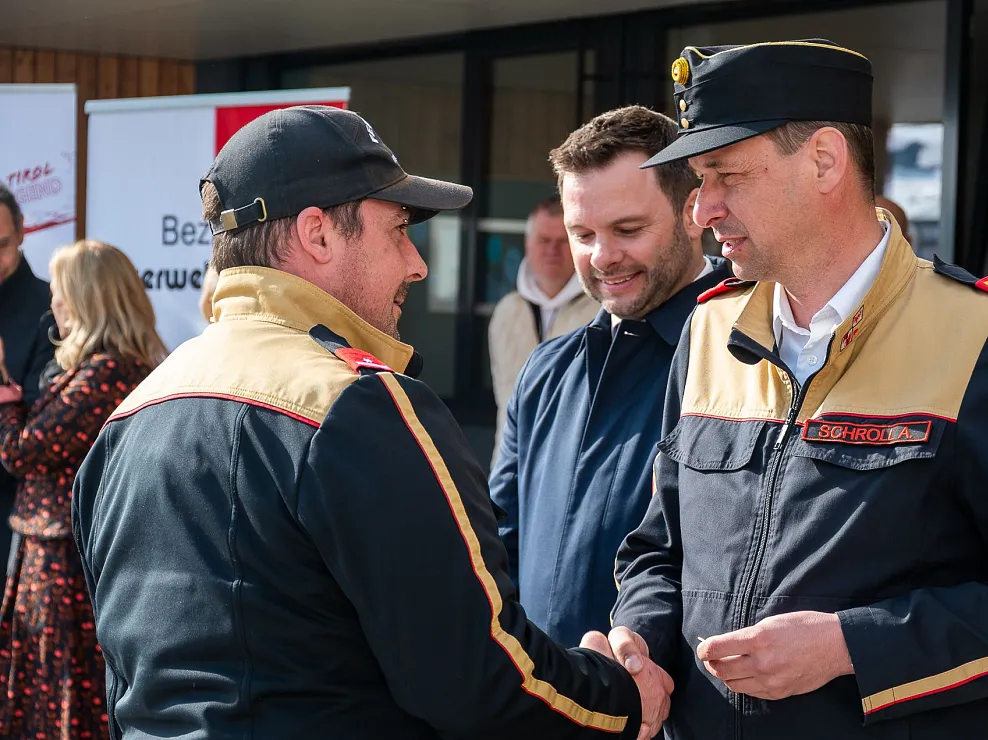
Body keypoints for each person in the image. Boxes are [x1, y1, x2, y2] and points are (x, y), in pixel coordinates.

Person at [71, 106, 670, 740]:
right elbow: (473, 678)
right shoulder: (357, 405)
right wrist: (622, 699)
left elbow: (130, 677)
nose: (417, 263)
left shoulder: (131, 415)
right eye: (398, 230)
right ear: (318, 235)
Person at [586, 41, 988, 739]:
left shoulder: (987, 335)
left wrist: (850, 646)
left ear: (825, 161)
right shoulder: (709, 327)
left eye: (725, 176)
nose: (702, 210)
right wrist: (640, 637)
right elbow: (660, 548)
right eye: (699, 180)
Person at [489, 105, 732, 648]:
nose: (602, 257)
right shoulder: (546, 371)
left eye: (627, 229)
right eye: (582, 234)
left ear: (694, 212)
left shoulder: (750, 360)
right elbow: (497, 546)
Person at [0, 239, 166, 739]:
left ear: (87, 298)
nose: (52, 301)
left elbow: (22, 452)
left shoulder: (108, 373)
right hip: (55, 554)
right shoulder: (100, 369)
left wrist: (4, 392)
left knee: (62, 699)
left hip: (65, 564)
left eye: (61, 290)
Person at [489, 196, 599, 459]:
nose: (552, 250)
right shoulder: (507, 312)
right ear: (527, 243)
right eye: (543, 240)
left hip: (575, 463)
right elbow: (503, 399)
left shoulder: (603, 312)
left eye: (562, 241)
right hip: (511, 463)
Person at [0, 185, 56, 567]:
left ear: (22, 231)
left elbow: (41, 429)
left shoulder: (50, 309)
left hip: (13, 518)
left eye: (1, 245)